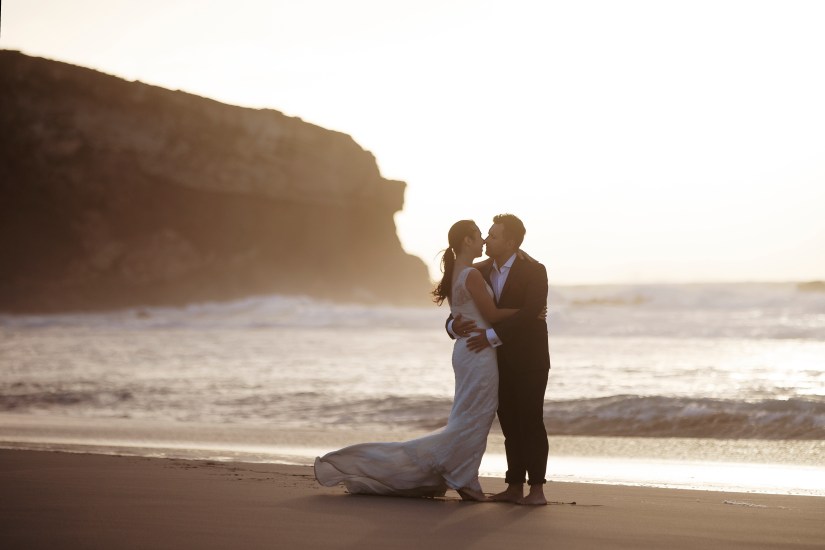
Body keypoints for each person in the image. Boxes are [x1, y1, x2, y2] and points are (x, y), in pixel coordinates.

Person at [314, 220, 519, 501]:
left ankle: (463, 476)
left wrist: (454, 326)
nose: (484, 240)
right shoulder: (471, 274)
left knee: (467, 417)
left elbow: (460, 315)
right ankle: (464, 479)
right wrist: (528, 311)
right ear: (467, 241)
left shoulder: (456, 271)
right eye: (479, 236)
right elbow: (492, 315)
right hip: (478, 352)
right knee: (475, 417)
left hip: (465, 350)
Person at [449, 213, 550, 505]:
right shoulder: (479, 271)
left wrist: (491, 335)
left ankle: (537, 490)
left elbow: (532, 313)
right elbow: (462, 305)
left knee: (531, 422)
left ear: (510, 242)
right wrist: (453, 326)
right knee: (509, 425)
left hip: (530, 359)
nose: (487, 240)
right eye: (487, 234)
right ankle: (514, 486)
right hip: (496, 360)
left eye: (493, 236)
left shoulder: (534, 270)